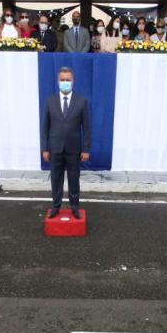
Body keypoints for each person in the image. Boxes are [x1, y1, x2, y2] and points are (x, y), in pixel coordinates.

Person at [41, 67, 91, 219]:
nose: (65, 82)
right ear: (58, 82)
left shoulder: (81, 102)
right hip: (55, 148)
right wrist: (45, 148)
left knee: (74, 180)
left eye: (67, 80)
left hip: (74, 149)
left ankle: (74, 207)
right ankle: (56, 206)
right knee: (56, 180)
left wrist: (86, 149)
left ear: (73, 82)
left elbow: (86, 128)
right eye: (62, 80)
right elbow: (45, 127)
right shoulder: (50, 101)